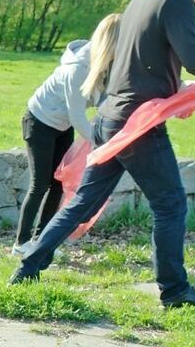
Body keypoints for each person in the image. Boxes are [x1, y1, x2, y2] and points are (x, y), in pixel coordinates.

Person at [8, 0, 195, 309]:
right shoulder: (177, 1)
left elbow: (148, 65)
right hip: (138, 125)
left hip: (110, 117)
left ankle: (28, 268)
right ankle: (175, 291)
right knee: (170, 203)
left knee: (83, 201)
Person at [13, 14, 122, 256]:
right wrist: (102, 145)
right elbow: (78, 117)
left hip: (62, 127)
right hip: (39, 122)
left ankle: (41, 241)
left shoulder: (102, 64)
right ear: (110, 42)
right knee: (40, 184)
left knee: (59, 184)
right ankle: (20, 244)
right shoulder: (76, 70)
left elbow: (103, 98)